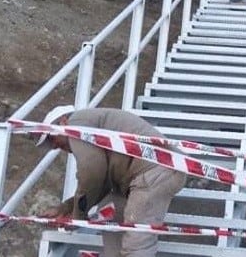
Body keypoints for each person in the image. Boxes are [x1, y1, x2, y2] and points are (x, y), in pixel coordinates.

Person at [37, 106, 186, 257]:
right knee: (111, 209)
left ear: (63, 122)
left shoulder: (76, 123)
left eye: (51, 138)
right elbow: (100, 183)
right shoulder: (91, 125)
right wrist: (65, 208)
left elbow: (92, 170)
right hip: (144, 175)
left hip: (155, 172)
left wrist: (77, 217)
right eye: (50, 145)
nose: (54, 146)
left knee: (137, 245)